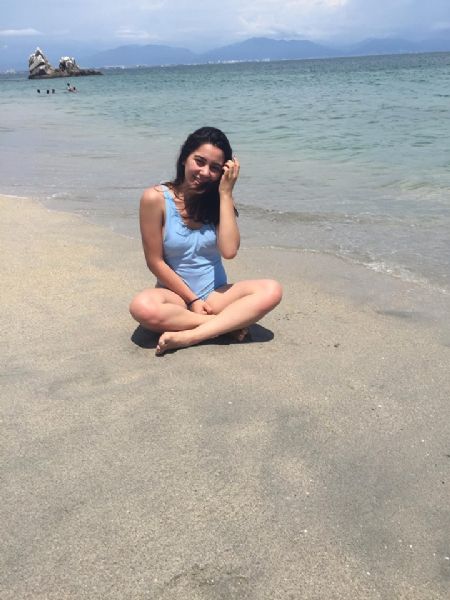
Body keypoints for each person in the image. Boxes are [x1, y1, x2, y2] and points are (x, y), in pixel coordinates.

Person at [129, 126, 282, 355]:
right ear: (185, 158)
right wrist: (192, 301)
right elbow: (155, 262)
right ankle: (225, 325)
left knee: (272, 289)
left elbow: (229, 251)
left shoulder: (220, 201)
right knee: (141, 307)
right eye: (199, 161)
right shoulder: (155, 198)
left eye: (214, 168)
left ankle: (190, 335)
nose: (204, 172)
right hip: (175, 297)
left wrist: (226, 194)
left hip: (216, 295)